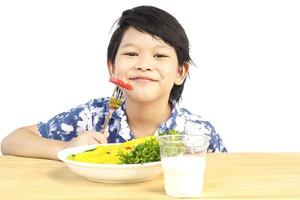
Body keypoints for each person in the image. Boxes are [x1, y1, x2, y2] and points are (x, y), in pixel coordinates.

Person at [1, 5, 227, 160]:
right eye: (131, 54)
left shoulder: (198, 133)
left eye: (159, 56)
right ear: (112, 67)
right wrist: (66, 148)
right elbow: (12, 141)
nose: (144, 64)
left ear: (181, 71)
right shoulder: (91, 116)